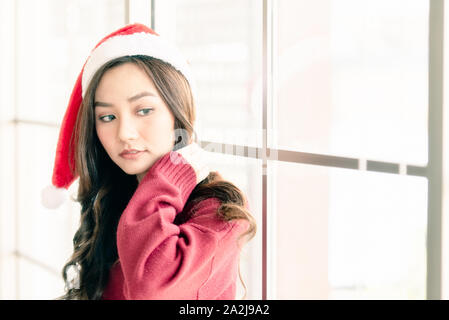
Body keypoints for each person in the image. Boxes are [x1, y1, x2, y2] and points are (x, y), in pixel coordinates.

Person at [42, 23, 256, 300]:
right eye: (107, 117)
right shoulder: (112, 196)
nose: (124, 133)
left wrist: (169, 178)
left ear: (179, 113)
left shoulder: (218, 209)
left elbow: (151, 289)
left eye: (143, 110)